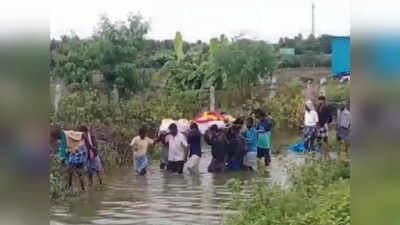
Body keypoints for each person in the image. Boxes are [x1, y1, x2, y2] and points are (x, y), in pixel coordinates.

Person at [317, 96, 333, 160]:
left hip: (324, 125)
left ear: (324, 100)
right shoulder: (318, 107)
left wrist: (326, 123)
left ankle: (327, 154)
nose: (320, 101)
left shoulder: (326, 107)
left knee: (325, 140)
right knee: (318, 139)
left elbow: (330, 117)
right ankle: (321, 153)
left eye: (321, 100)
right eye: (319, 100)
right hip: (319, 126)